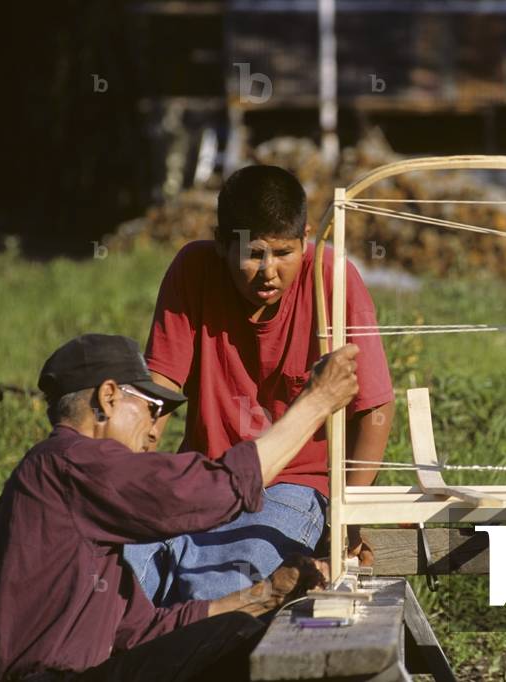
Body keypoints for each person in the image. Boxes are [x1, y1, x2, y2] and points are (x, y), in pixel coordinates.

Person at [0, 333, 358, 681]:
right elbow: (209, 491)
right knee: (243, 643)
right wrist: (316, 403)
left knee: (242, 630)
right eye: (151, 408)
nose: (154, 431)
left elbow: (145, 630)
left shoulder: (60, 474)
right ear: (108, 398)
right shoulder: (75, 462)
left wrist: (267, 594)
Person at [123, 165, 394, 606]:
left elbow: (375, 409)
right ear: (221, 243)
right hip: (206, 475)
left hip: (295, 486)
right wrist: (128, 471)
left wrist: (347, 519)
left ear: (305, 237)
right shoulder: (193, 269)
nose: (268, 271)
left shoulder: (331, 278)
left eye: (283, 253)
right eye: (253, 254)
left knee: (218, 585)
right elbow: (160, 384)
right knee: (122, 569)